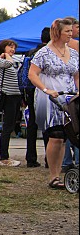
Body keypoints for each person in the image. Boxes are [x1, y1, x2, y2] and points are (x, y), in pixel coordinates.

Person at [28, 18, 79, 189]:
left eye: (71, 31)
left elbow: (77, 75)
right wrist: (45, 89)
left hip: (69, 97)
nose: (70, 34)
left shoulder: (73, 53)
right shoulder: (44, 53)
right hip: (50, 97)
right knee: (55, 135)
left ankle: (60, 173)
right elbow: (32, 74)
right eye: (67, 32)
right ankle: (53, 175)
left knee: (65, 136)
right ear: (58, 32)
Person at [22, 27, 50, 168]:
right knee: (48, 124)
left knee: (32, 124)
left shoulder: (30, 52)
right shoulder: (50, 53)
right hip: (46, 90)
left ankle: (31, 158)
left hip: (31, 91)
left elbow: (23, 75)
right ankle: (49, 158)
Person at [0, 39, 23, 167]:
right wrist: (8, 56)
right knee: (7, 127)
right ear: (3, 47)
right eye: (10, 47)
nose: (12, 50)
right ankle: (4, 157)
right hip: (8, 96)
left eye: (14, 48)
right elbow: (9, 64)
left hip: (15, 96)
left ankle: (6, 156)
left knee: (11, 126)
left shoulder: (8, 60)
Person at [61, 16, 79, 172]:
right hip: (71, 92)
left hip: (67, 91)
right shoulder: (74, 46)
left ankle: (66, 161)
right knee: (75, 126)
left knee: (67, 128)